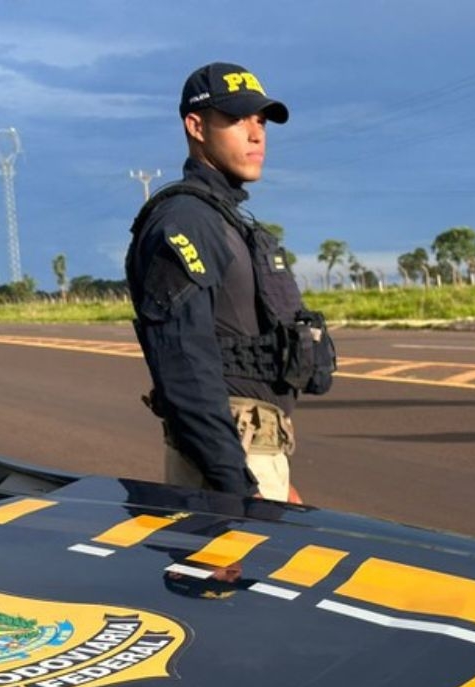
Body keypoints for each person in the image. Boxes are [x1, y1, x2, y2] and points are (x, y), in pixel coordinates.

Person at [125, 62, 335, 501]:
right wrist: (238, 485)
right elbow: (184, 367)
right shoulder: (185, 222)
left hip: (253, 458)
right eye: (237, 119)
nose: (256, 133)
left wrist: (275, 473)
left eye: (260, 121)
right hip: (225, 472)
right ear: (196, 126)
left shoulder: (225, 222)